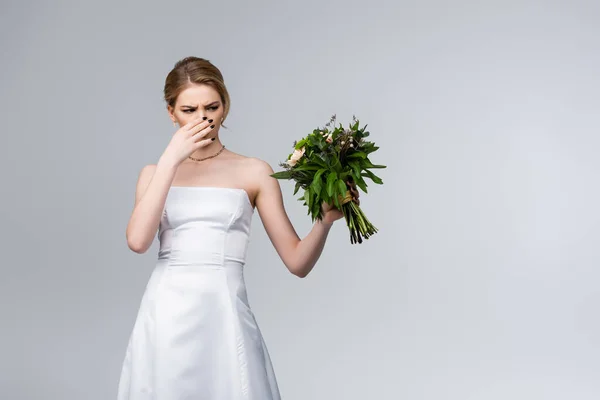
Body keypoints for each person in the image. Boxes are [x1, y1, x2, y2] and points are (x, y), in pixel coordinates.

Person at [117, 56, 359, 399]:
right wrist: (171, 158)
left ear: (225, 106)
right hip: (166, 312)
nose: (202, 118)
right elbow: (138, 241)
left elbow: (297, 262)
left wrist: (324, 221)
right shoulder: (153, 174)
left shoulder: (254, 172)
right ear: (171, 112)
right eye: (188, 110)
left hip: (223, 312)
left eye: (211, 106)